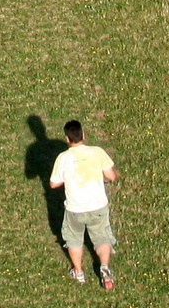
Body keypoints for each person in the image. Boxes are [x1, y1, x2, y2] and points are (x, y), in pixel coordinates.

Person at [48, 119, 119, 289]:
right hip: (98, 207)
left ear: (67, 139)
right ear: (83, 135)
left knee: (74, 240)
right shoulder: (97, 152)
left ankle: (79, 272)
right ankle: (104, 267)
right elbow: (111, 176)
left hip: (75, 210)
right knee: (102, 237)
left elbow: (53, 184)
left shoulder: (63, 158)